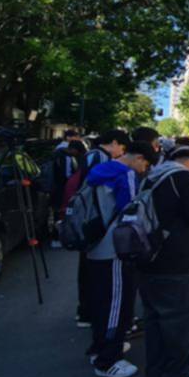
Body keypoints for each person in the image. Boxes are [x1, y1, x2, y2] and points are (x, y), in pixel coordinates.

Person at [138, 146, 189, 377]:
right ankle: (179, 373)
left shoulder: (151, 177)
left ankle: (156, 371)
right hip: (176, 257)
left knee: (155, 318)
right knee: (185, 316)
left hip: (146, 254)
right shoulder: (185, 177)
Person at [84, 141, 158, 377]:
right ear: (138, 158)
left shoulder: (99, 169)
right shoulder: (125, 174)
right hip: (114, 249)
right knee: (116, 304)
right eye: (144, 164)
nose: (142, 170)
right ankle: (108, 359)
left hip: (94, 245)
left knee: (100, 301)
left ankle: (99, 347)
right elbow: (131, 212)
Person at [72, 129, 129, 328]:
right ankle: (88, 311)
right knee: (91, 268)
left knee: (88, 266)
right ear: (113, 142)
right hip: (93, 219)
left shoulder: (91, 155)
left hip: (86, 217)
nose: (121, 153)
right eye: (122, 148)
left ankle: (87, 310)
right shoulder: (100, 158)